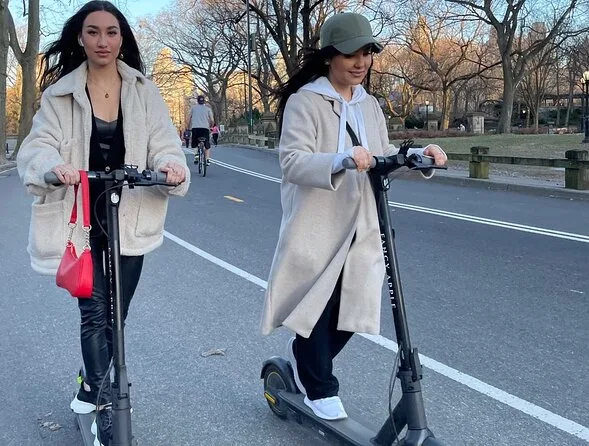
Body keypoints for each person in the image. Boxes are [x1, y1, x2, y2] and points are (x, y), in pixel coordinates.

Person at [16, 1, 189, 443]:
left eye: (111, 32)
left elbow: (164, 142)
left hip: (129, 215)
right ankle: (106, 403)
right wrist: (52, 167)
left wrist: (170, 165)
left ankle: (90, 381)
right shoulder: (60, 95)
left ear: (121, 38)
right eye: (93, 32)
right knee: (94, 314)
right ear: (80, 38)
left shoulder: (144, 91)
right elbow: (39, 146)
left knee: (118, 314)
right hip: (80, 217)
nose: (102, 41)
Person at [260, 12, 447, 422]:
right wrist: (341, 160)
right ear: (330, 56)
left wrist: (419, 157)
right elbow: (292, 161)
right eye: (350, 54)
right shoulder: (305, 101)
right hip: (318, 223)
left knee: (354, 306)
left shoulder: (370, 105)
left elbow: (380, 156)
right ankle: (319, 386)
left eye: (367, 53)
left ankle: (305, 358)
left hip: (364, 222)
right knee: (318, 305)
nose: (361, 62)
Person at [189, 95, 214, 165]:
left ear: (197, 101)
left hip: (195, 128)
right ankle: (207, 159)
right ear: (204, 101)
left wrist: (188, 127)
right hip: (205, 129)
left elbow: (189, 118)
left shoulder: (193, 108)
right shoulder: (208, 109)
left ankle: (196, 155)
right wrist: (211, 127)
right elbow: (212, 120)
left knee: (194, 143)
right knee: (207, 144)